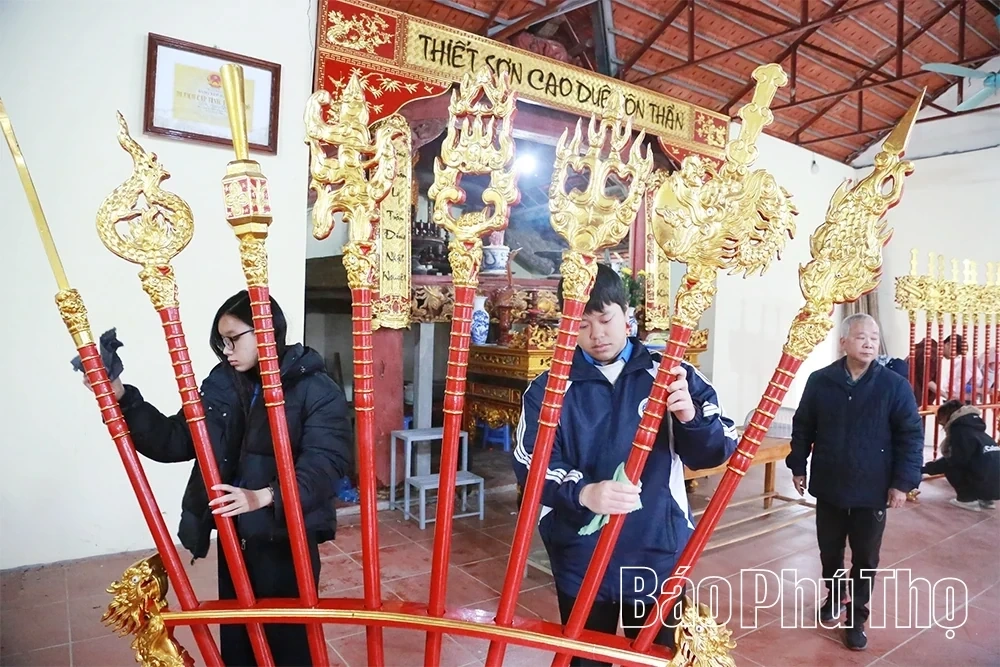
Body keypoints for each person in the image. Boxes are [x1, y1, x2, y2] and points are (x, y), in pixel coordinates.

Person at [85, 291, 352, 666]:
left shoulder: (315, 388)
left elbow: (327, 463)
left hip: (285, 537)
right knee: (239, 636)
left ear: (267, 330)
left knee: (288, 640)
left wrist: (265, 496)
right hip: (235, 535)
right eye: (221, 341)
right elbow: (178, 439)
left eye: (234, 338)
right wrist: (123, 397)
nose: (227, 350)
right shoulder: (223, 383)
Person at [512, 264, 738, 666]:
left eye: (605, 319)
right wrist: (584, 492)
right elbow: (532, 464)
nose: (596, 334)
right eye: (581, 325)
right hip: (581, 555)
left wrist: (691, 421)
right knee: (585, 659)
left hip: (654, 549)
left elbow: (717, 451)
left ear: (626, 313)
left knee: (657, 657)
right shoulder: (549, 387)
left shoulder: (669, 372)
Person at [786, 313, 924, 652]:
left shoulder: (893, 386)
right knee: (830, 552)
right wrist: (798, 465)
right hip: (830, 484)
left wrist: (902, 482)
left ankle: (856, 618)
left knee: (865, 558)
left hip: (872, 488)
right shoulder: (821, 381)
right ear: (843, 342)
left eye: (874, 337)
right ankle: (834, 598)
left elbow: (910, 436)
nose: (869, 342)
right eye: (861, 336)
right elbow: (804, 425)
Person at [922, 399, 1000, 511]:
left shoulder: (961, 432)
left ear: (947, 416)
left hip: (984, 485)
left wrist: (925, 469)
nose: (941, 425)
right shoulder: (978, 432)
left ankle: (967, 500)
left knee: (952, 467)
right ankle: (986, 500)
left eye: (940, 421)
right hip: (997, 488)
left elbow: (953, 461)